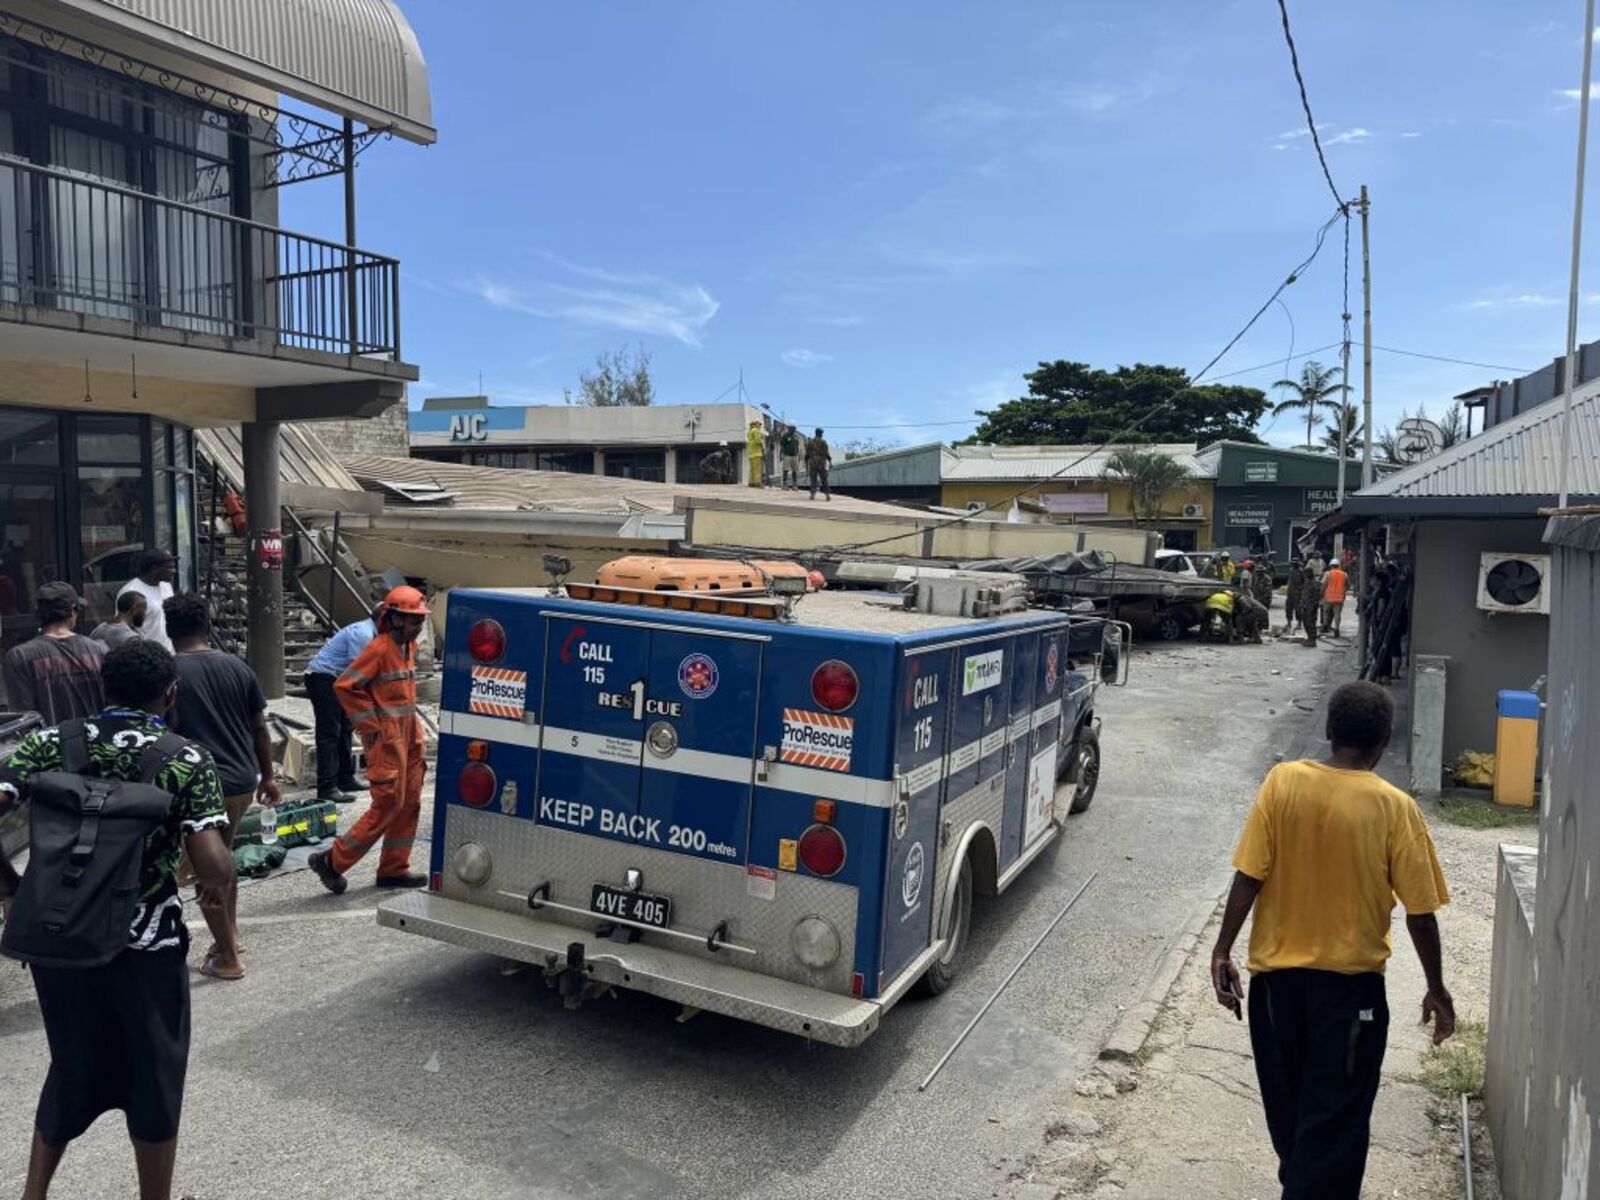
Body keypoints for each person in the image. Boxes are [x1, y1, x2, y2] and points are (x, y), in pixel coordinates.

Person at [0, 639, 234, 1200]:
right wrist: (214, 880)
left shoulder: (49, 743)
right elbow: (212, 863)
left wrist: (12, 888)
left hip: (59, 938)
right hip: (144, 946)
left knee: (72, 1061)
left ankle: (34, 1192)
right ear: (169, 694)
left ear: (104, 688)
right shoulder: (185, 757)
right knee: (155, 1073)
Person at [1210, 681, 1454, 1199]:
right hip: (1349, 998)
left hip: (1275, 993)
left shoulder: (1282, 783)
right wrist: (1436, 987)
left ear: (1328, 730)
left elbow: (1248, 877)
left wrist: (1221, 950)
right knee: (1332, 1131)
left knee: (1295, 1120)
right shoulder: (1395, 808)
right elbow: (1420, 912)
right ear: (1384, 741)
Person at [165, 594, 279, 981]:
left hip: (197, 788)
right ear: (208, 627)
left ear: (168, 630)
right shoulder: (236, 665)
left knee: (204, 869)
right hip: (242, 782)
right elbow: (260, 726)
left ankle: (227, 955)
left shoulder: (169, 673)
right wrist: (269, 776)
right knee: (222, 861)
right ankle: (230, 936)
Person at [308, 586, 432, 895]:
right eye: (414, 621)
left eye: (420, 621)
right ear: (395, 619)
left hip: (408, 734)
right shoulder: (378, 648)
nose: (418, 627)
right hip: (388, 738)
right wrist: (372, 726)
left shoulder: (409, 647)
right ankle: (332, 861)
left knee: (410, 803)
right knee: (388, 803)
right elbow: (346, 686)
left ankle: (394, 868)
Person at [2, 582, 106, 724]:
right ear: (72, 611)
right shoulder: (99, 651)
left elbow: (22, 717)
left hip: (47, 744)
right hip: (95, 743)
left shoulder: (19, 657)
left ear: (38, 613)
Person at [302, 609, 378, 802]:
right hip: (323, 678)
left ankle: (345, 777)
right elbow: (359, 671)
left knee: (345, 728)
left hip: (337, 678)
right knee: (329, 733)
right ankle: (327, 787)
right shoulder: (363, 634)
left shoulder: (370, 632)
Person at [118, 551, 177, 652]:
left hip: (168, 655)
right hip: (147, 657)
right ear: (154, 569)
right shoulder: (131, 591)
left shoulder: (166, 586)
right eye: (169, 567)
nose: (174, 571)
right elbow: (123, 627)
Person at [1321, 559, 1350, 637]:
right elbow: (1348, 585)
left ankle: (1325, 626)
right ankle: (1337, 629)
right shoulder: (1344, 574)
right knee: (1337, 614)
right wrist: (1343, 591)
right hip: (1339, 597)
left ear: (1331, 565)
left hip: (1328, 597)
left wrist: (1321, 594)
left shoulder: (1328, 573)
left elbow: (1323, 585)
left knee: (1326, 612)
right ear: (1338, 565)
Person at [1282, 555, 1306, 637]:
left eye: (1295, 564)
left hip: (1298, 593)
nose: (1293, 565)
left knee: (1298, 608)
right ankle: (1289, 623)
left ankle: (1299, 623)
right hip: (1290, 592)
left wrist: (1301, 590)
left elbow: (1304, 582)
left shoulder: (1301, 571)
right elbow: (1289, 580)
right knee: (1288, 608)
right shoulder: (1291, 570)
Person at [806, 427, 832, 501]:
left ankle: (812, 495)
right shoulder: (823, 442)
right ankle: (827, 495)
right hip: (821, 462)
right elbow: (826, 453)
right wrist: (830, 461)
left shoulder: (810, 442)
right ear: (820, 434)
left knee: (813, 479)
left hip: (813, 462)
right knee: (824, 479)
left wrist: (807, 460)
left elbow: (807, 453)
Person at [779, 423, 802, 489]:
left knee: (794, 471)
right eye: (792, 428)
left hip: (795, 456)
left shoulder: (796, 436)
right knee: (785, 470)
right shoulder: (785, 436)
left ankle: (794, 485)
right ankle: (784, 485)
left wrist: (798, 455)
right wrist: (780, 455)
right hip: (787, 455)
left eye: (795, 428)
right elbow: (782, 446)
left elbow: (797, 446)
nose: (794, 430)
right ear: (789, 428)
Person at [745, 420, 765, 488]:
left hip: (751, 453)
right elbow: (758, 441)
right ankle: (757, 483)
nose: (760, 426)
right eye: (759, 425)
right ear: (756, 424)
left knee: (752, 469)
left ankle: (751, 482)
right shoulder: (756, 430)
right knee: (757, 470)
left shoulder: (749, 432)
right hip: (757, 453)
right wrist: (762, 439)